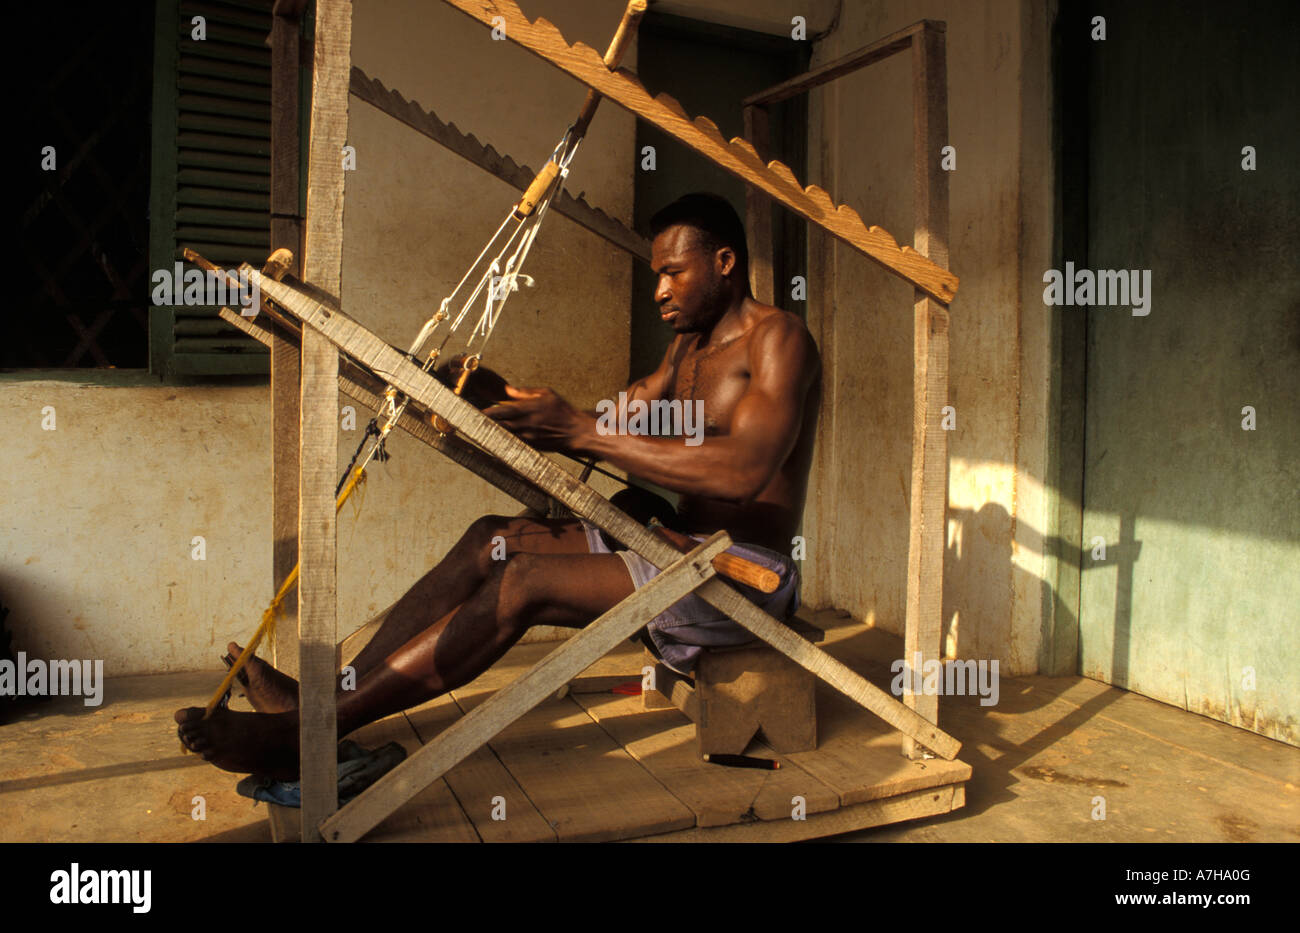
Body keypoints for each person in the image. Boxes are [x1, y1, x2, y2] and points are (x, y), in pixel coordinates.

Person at [175, 193, 821, 779]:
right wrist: (503, 397)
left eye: (673, 272)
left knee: (522, 581)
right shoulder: (688, 348)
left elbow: (744, 469)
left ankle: (309, 732)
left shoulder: (779, 340)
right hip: (678, 544)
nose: (658, 290)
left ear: (726, 261)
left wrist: (575, 430)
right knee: (494, 540)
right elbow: (616, 419)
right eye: (657, 273)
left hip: (742, 575)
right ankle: (326, 695)